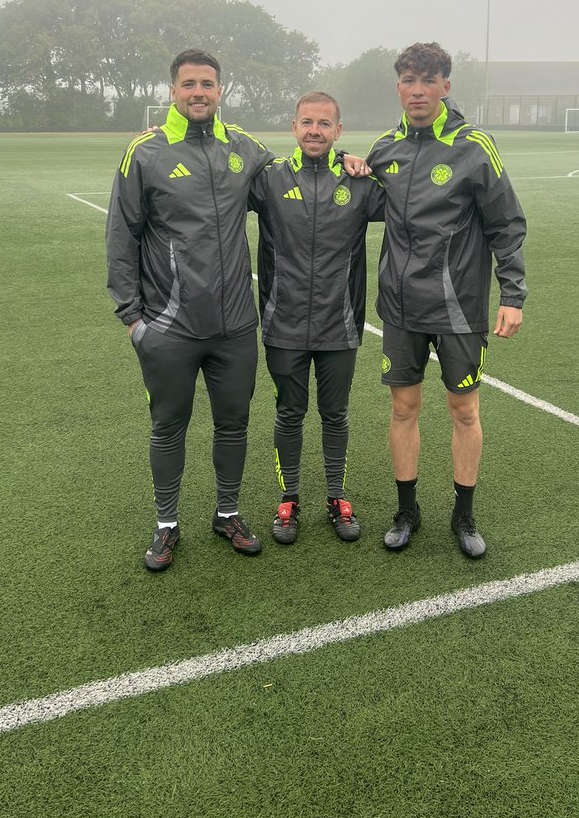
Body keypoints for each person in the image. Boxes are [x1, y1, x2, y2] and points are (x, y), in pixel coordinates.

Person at [105, 49, 274, 572]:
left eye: (207, 84)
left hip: (235, 327)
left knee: (233, 423)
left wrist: (347, 163)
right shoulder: (146, 152)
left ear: (220, 90)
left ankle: (227, 513)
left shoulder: (244, 147)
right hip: (169, 327)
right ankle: (165, 526)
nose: (199, 92)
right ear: (173, 91)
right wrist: (133, 319)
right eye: (189, 84)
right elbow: (121, 235)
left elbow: (297, 186)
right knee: (168, 426)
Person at [366, 42, 527, 558]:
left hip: (459, 305)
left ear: (446, 87)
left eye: (429, 81)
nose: (418, 91)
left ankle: (464, 515)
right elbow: (355, 198)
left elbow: (507, 223)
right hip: (401, 307)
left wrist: (513, 294)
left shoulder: (474, 145)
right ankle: (407, 510)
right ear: (398, 87)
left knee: (463, 409)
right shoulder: (384, 149)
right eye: (409, 81)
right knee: (403, 406)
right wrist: (346, 166)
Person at [248, 92, 384, 545]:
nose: (315, 130)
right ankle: (288, 498)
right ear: (293, 126)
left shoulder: (359, 184)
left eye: (325, 124)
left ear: (338, 131)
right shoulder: (268, 181)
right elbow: (212, 182)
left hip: (339, 323)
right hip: (282, 322)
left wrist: (366, 163)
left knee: (335, 414)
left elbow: (413, 195)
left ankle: (335, 496)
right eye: (307, 121)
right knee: (289, 413)